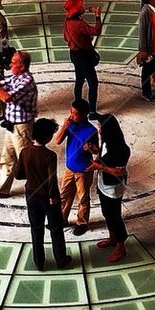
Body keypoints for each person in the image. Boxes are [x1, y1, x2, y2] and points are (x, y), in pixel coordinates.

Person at [14, 118, 71, 271]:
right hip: (48, 197)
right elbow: (52, 180)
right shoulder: (50, 155)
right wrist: (53, 196)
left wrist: (32, 174)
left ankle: (39, 262)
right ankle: (61, 259)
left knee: (36, 229)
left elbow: (18, 175)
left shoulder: (25, 151)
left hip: (31, 195)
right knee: (56, 228)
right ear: (47, 137)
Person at [0, 50, 38, 199]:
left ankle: (38, 189)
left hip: (22, 127)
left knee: (27, 161)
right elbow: (0, 83)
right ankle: (1, 188)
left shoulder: (26, 81)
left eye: (13, 63)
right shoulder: (16, 77)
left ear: (22, 66)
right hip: (13, 125)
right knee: (7, 158)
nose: (10, 65)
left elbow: (7, 97)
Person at [87, 112, 130, 264]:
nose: (98, 129)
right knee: (107, 213)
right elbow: (103, 154)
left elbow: (120, 171)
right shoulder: (106, 140)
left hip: (113, 187)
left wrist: (99, 167)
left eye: (100, 126)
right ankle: (113, 238)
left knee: (115, 216)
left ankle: (121, 246)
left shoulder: (122, 149)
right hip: (103, 183)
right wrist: (94, 151)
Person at [55, 99, 98, 236]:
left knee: (83, 197)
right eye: (71, 112)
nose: (72, 115)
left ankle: (82, 222)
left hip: (84, 170)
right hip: (70, 168)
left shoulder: (91, 130)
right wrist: (64, 126)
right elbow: (57, 140)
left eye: (75, 114)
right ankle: (62, 219)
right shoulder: (70, 125)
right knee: (64, 195)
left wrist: (90, 149)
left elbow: (97, 150)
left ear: (84, 114)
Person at [62, 0, 103, 114]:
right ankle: (92, 112)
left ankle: (78, 107)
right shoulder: (79, 24)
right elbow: (97, 31)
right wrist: (97, 16)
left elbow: (66, 37)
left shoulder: (67, 21)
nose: (82, 7)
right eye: (80, 6)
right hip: (84, 56)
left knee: (79, 80)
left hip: (74, 55)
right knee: (93, 82)